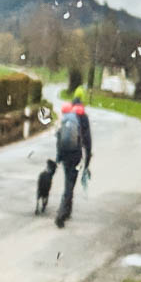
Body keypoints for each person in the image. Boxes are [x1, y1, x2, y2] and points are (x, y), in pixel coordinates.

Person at [54, 88, 93, 227]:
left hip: (65, 153)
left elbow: (59, 134)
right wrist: (87, 161)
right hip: (76, 154)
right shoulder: (82, 116)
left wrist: (58, 156)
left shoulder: (67, 113)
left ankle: (67, 210)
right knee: (70, 183)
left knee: (68, 181)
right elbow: (88, 141)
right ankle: (61, 213)